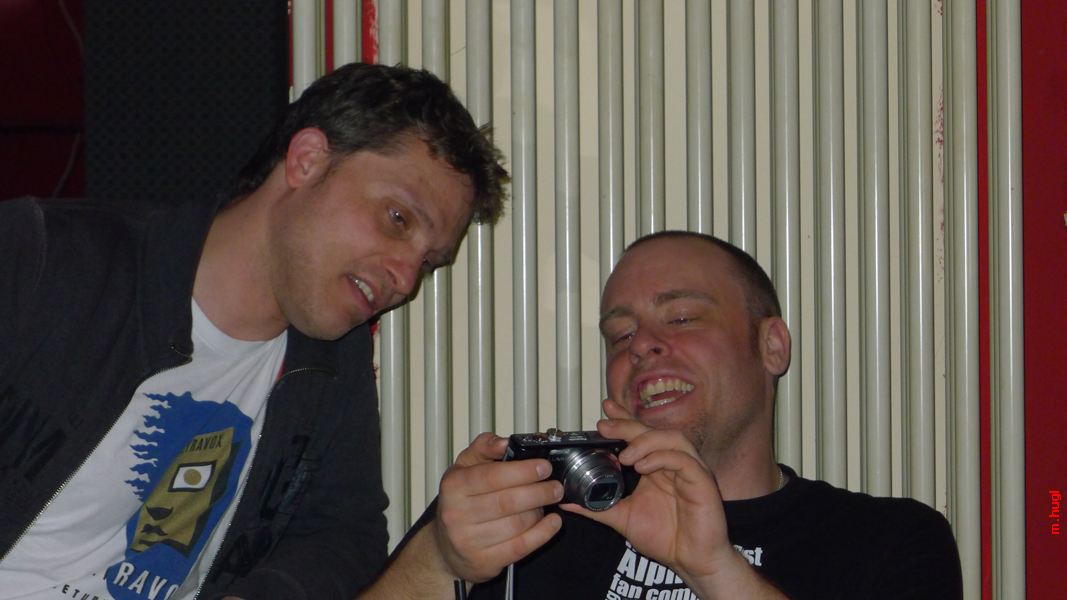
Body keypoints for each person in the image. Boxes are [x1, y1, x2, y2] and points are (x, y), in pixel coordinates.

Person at [0, 62, 508, 600]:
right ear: (307, 160)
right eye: (397, 218)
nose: (404, 279)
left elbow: (343, 533)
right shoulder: (39, 257)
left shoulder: (333, 356)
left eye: (428, 263)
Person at [373, 231, 962, 600]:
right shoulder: (532, 510)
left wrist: (716, 571)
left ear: (772, 346)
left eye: (681, 318)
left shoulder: (888, 540)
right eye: (619, 335)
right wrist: (438, 561)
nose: (642, 346)